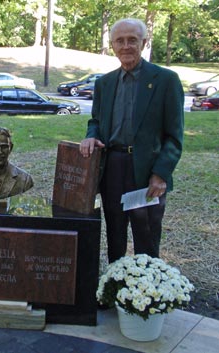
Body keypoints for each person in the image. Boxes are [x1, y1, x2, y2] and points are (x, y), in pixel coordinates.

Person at [79, 18, 184, 263]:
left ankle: (146, 294)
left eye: (132, 40)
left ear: (144, 43)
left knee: (146, 234)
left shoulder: (166, 80)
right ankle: (115, 286)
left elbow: (174, 136)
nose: (126, 46)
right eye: (120, 41)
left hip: (147, 170)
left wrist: (161, 174)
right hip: (113, 167)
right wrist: (91, 137)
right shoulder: (104, 83)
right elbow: (95, 121)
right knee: (115, 231)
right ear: (113, 45)